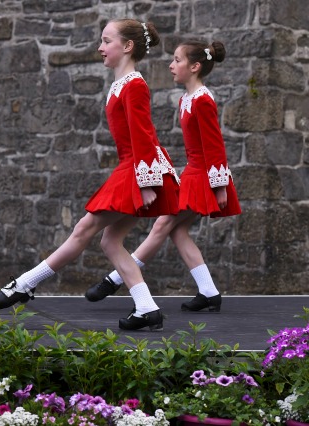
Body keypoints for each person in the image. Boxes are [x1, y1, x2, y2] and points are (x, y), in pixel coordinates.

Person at [0, 19, 180, 331]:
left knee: (84, 229)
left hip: (139, 169)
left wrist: (146, 183)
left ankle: (23, 284)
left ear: (127, 46)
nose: (100, 48)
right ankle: (147, 307)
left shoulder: (134, 84)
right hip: (136, 168)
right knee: (110, 241)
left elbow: (144, 135)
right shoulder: (123, 83)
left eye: (106, 41)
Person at [85, 40, 241, 312]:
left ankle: (114, 279)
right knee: (177, 231)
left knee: (162, 226)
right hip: (193, 173)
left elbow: (214, 145)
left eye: (177, 60)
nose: (171, 65)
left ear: (194, 67)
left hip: (202, 176)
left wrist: (220, 186)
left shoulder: (203, 99)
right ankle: (208, 290)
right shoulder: (186, 99)